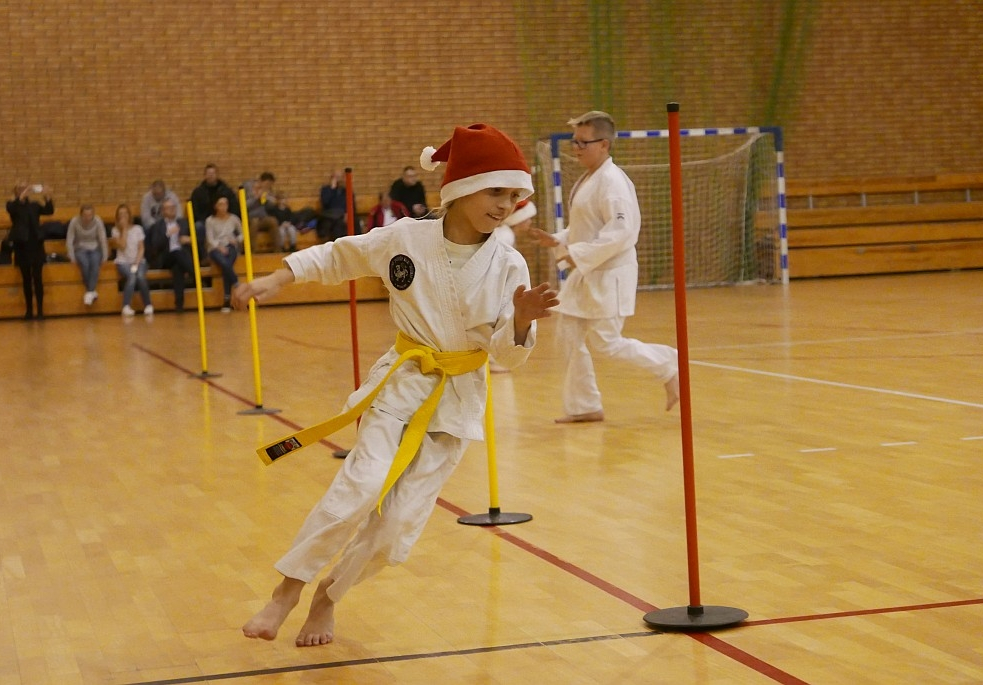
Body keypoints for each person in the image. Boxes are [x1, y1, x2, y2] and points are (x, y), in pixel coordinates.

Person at [236, 123, 559, 648]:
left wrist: (520, 322)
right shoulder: (406, 239)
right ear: (457, 190)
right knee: (360, 488)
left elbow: (506, 355)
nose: (505, 205)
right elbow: (338, 255)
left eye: (513, 194)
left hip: (455, 401)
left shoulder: (509, 263)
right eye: (494, 191)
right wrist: (277, 278)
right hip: (401, 385)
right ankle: (286, 591)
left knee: (396, 530)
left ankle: (328, 597)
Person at [529, 111, 679, 422]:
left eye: (583, 142)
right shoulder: (590, 179)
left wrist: (577, 252)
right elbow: (588, 227)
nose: (577, 148)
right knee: (569, 335)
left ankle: (669, 366)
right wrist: (557, 240)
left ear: (604, 144)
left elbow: (622, 231)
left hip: (610, 274)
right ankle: (585, 406)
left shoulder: (612, 181)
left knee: (607, 343)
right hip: (588, 272)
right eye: (575, 142)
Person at [489, 199, 537, 373]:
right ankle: (494, 359)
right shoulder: (505, 235)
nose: (530, 222)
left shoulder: (505, 233)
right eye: (528, 218)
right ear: (518, 219)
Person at [6, 182, 55, 320]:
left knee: (38, 279)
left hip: (36, 245)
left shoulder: (34, 205)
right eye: (20, 188)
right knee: (26, 279)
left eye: (25, 188)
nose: (25, 190)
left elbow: (49, 210)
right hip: (22, 246)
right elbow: (13, 210)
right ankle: (29, 311)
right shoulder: (11, 205)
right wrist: (20, 196)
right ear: (16, 192)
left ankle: (40, 311)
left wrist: (47, 196)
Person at [147, 198, 197, 312]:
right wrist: (167, 234)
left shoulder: (183, 222)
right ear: (163, 211)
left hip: (181, 258)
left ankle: (179, 304)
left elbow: (195, 240)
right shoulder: (158, 226)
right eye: (169, 208)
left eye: (173, 207)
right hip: (166, 257)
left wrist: (189, 240)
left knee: (177, 269)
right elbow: (155, 246)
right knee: (176, 252)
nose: (172, 210)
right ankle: (194, 273)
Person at [110, 204, 153, 317]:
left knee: (140, 276)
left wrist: (136, 263)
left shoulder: (138, 229)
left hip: (139, 261)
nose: (123, 216)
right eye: (120, 214)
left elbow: (141, 248)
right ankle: (126, 306)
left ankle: (148, 304)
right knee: (131, 276)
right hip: (123, 262)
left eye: (125, 214)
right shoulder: (115, 231)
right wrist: (124, 229)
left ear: (129, 215)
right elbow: (122, 245)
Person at [65, 204, 109, 306]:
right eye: (85, 215)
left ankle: (89, 292)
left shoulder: (98, 221)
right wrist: (71, 256)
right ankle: (91, 291)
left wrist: (105, 255)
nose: (88, 218)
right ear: (81, 215)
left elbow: (102, 238)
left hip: (95, 248)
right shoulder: (74, 222)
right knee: (84, 264)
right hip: (80, 248)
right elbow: (69, 239)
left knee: (94, 262)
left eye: (90, 215)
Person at [205, 196, 242, 311]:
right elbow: (210, 238)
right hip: (215, 248)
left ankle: (226, 300)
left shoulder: (234, 218)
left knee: (227, 265)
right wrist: (219, 247)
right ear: (215, 206)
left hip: (231, 246)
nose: (224, 206)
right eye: (221, 204)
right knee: (225, 263)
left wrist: (236, 240)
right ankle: (236, 283)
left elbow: (242, 233)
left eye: (225, 204)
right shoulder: (210, 220)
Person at [190, 163, 239, 229]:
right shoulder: (198, 192)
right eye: (209, 173)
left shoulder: (227, 191)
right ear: (205, 175)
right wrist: (208, 221)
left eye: (213, 173)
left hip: (225, 221)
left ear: (217, 175)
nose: (211, 175)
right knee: (198, 226)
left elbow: (234, 207)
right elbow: (195, 211)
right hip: (204, 222)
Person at [245, 172, 280, 252]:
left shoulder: (266, 192)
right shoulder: (249, 190)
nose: (268, 186)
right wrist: (256, 198)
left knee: (273, 221)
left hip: (263, 218)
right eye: (267, 183)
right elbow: (246, 206)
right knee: (254, 222)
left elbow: (270, 207)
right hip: (252, 218)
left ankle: (278, 250)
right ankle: (252, 251)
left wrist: (267, 199)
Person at [318, 170, 348, 241]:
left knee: (340, 224)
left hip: (341, 215)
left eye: (340, 177)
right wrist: (332, 189)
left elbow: (350, 205)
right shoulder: (326, 190)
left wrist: (347, 214)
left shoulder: (345, 191)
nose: (339, 180)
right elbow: (325, 202)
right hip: (328, 215)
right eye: (336, 177)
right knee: (329, 224)